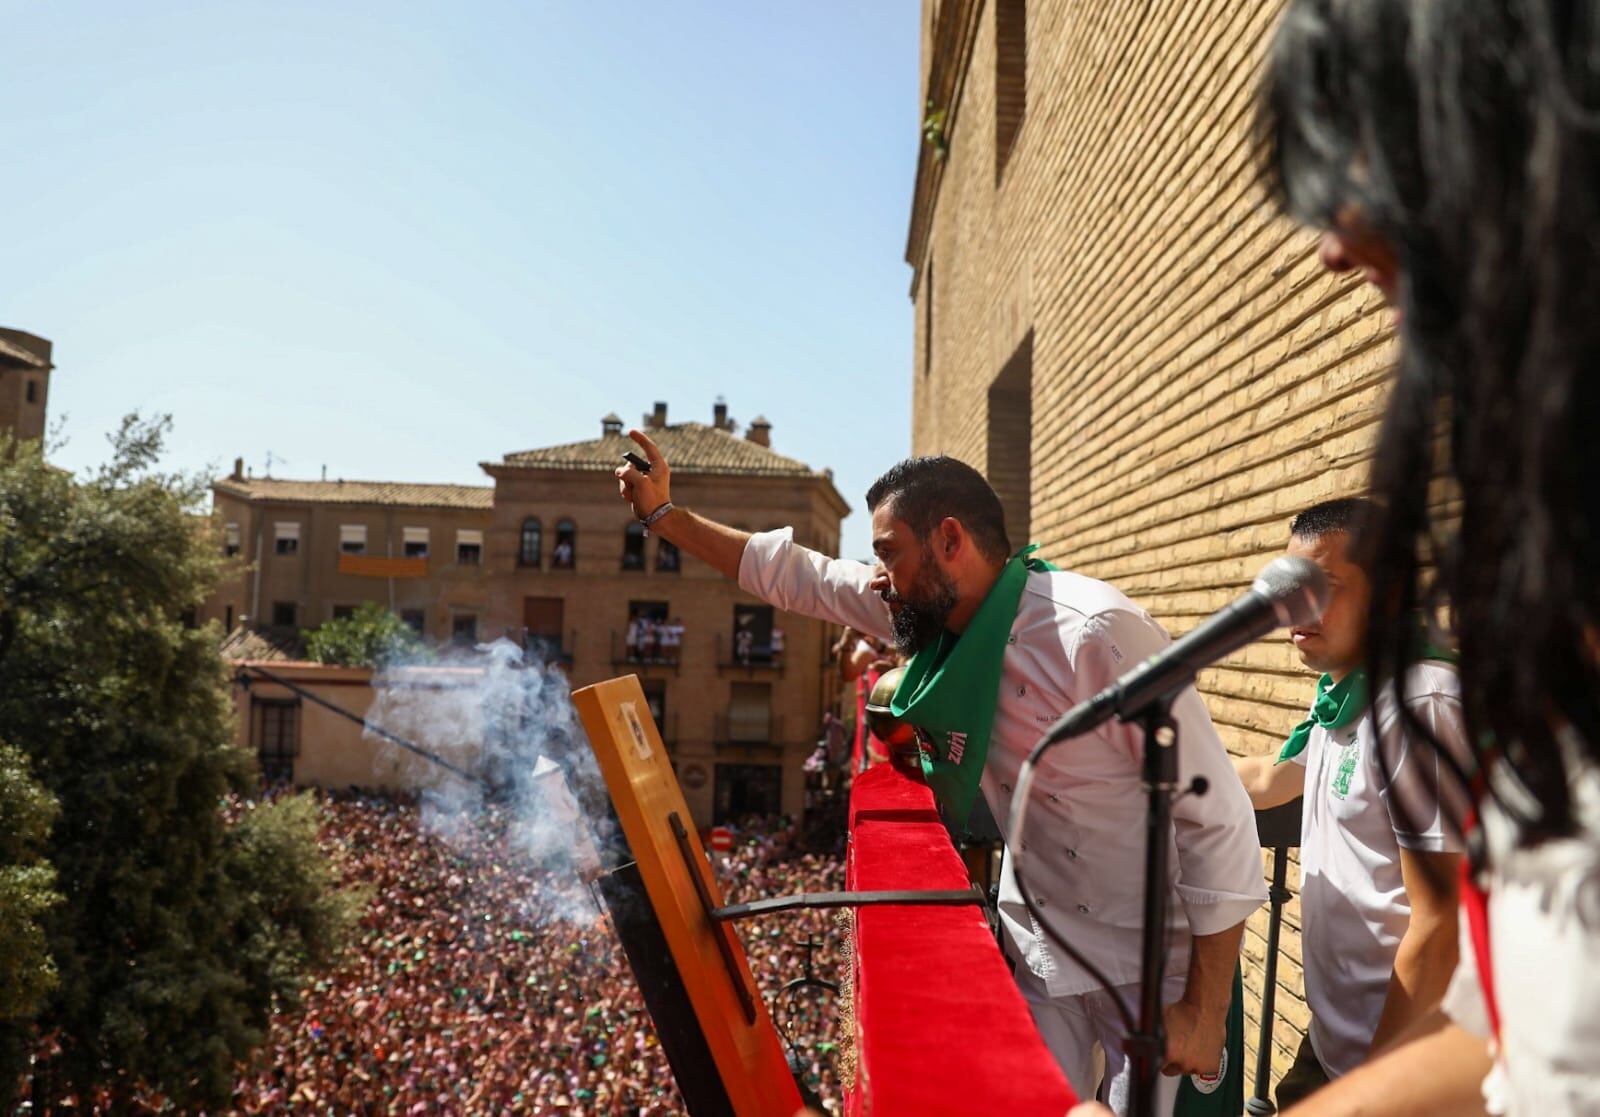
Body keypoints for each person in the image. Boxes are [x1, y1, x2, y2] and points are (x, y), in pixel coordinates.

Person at [1081, 2, 1600, 1113]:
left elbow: (1448, 943)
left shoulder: (1433, 693)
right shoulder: (1444, 672)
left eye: (1376, 144)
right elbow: (1533, 1007)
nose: (1330, 248)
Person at [617, 437, 1266, 1114]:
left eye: (889, 552)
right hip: (1041, 941)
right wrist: (664, 516)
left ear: (949, 539)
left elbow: (1218, 816)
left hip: (1153, 965)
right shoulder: (934, 616)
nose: (875, 576)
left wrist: (1206, 1004)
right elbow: (799, 577)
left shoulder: (1094, 630)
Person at [1233, 498, 1465, 1108]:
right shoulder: (1346, 691)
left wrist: (1369, 1093)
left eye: (1323, 588)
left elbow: (1442, 923)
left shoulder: (1419, 707)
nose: (1294, 609)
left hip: (1401, 1058)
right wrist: (1157, 776)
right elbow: (1277, 777)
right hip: (1339, 1040)